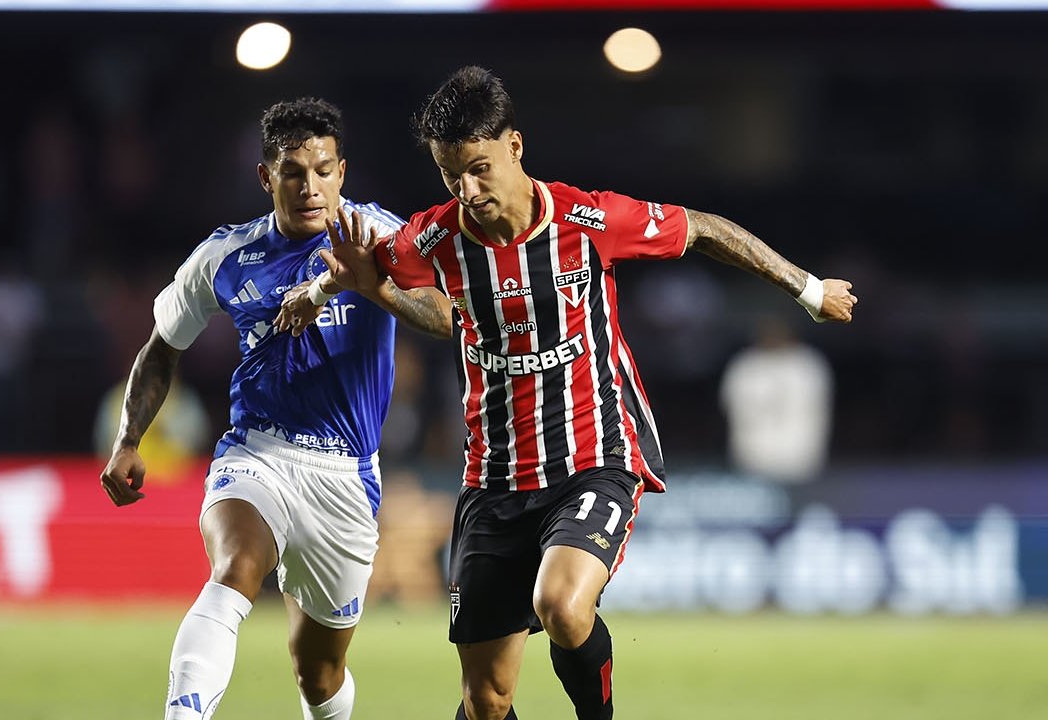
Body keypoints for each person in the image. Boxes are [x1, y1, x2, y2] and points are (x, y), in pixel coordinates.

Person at [276, 66, 857, 720]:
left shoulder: (588, 219)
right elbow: (443, 315)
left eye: (479, 168)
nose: (467, 189)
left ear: (514, 147)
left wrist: (808, 290)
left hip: (593, 458)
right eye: (450, 174)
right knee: (486, 701)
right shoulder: (434, 237)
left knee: (562, 604)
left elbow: (703, 228)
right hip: (493, 480)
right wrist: (346, 289)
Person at [99, 97, 430, 720]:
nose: (310, 187)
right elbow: (160, 348)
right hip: (258, 455)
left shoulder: (380, 238)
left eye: (324, 170)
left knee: (319, 674)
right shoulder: (225, 257)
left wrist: (373, 285)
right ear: (265, 177)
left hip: (346, 478)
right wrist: (128, 439)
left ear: (343, 170)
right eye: (293, 173)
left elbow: (446, 317)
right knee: (235, 568)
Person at [720, 315, 834, 483]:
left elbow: (818, 410)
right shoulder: (744, 365)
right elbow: (731, 407)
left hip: (801, 456)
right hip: (753, 456)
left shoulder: (808, 363)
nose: (773, 336)